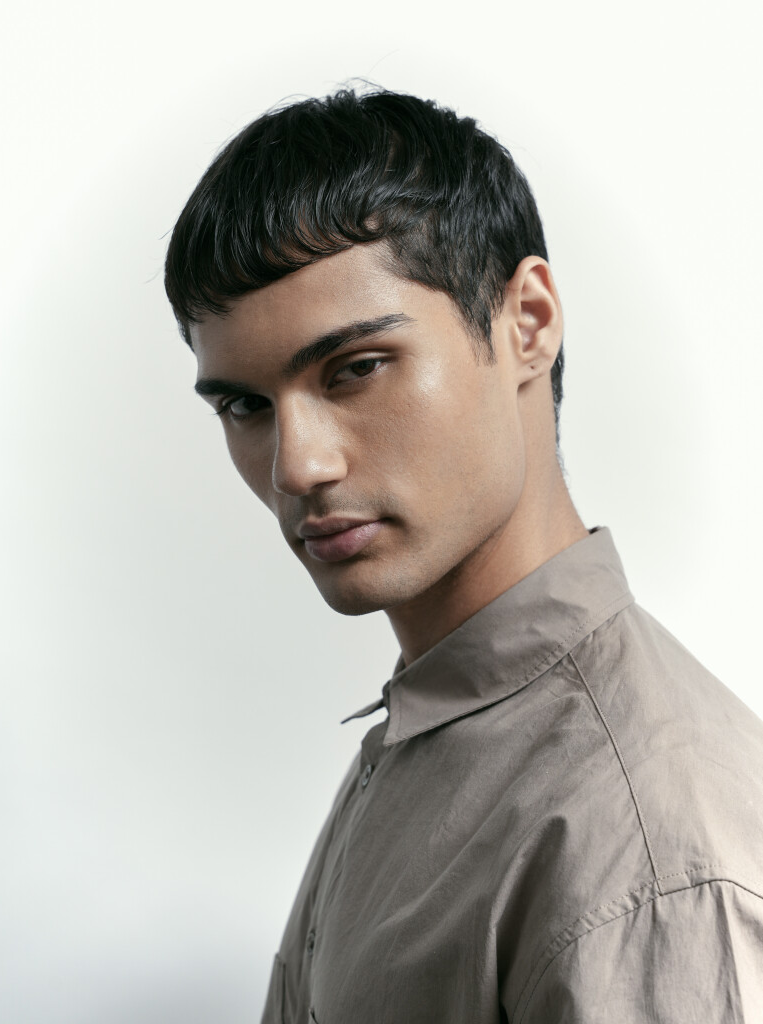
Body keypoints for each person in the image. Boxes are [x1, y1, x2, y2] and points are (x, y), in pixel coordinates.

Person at [164, 87, 763, 1022]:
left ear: (527, 322)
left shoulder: (644, 846)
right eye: (245, 405)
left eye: (355, 369)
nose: (297, 466)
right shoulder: (442, 720)